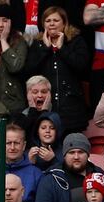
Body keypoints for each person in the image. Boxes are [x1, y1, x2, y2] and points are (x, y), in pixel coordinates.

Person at [24, 6, 90, 134]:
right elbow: (28, 71)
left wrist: (61, 49)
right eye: (48, 21)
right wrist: (45, 48)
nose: (52, 23)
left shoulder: (76, 41)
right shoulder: (37, 44)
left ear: (64, 23)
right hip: (46, 110)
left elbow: (82, 66)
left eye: (56, 20)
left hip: (72, 109)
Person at [35, 132, 104, 202]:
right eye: (71, 152)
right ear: (64, 155)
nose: (76, 157)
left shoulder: (99, 175)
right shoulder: (51, 179)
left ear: (88, 154)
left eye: (80, 152)